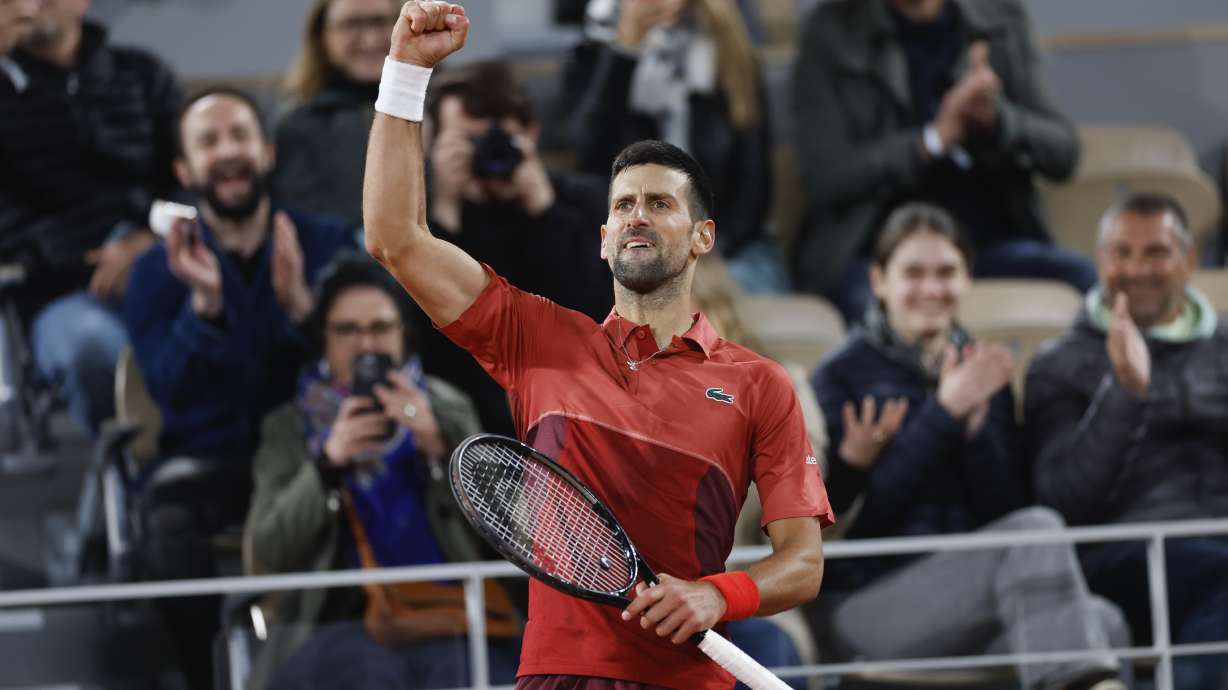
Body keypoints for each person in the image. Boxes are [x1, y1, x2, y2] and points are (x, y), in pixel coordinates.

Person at [363, 4, 833, 690]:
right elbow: (393, 238)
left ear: (702, 236)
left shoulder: (760, 385)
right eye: (622, 206)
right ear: (604, 238)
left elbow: (803, 563)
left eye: (660, 204)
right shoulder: (537, 340)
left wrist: (716, 594)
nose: (637, 215)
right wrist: (405, 72)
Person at [811, 202, 1129, 690]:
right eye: (913, 273)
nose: (932, 289)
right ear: (879, 281)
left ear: (967, 280)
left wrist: (980, 438)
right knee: (1040, 541)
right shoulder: (837, 376)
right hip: (868, 603)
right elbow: (848, 529)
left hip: (973, 599)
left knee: (1103, 620)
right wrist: (944, 415)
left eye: (947, 272)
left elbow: (1003, 512)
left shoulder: (985, 371)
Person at [122, 86, 355, 690]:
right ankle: (209, 676)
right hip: (209, 461)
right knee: (164, 526)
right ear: (184, 169)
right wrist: (203, 307)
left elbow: (367, 368)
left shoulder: (328, 245)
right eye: (209, 141)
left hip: (316, 455)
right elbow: (168, 393)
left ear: (267, 151)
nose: (228, 152)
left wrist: (306, 310)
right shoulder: (154, 269)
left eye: (239, 136)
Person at [245, 253, 521, 690]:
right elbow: (268, 548)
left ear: (403, 336)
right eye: (347, 330)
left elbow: (509, 530)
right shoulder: (289, 427)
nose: (366, 345)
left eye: (379, 328)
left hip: (451, 612)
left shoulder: (447, 408)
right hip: (341, 620)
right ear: (324, 341)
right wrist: (327, 464)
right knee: (372, 674)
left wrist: (438, 449)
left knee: (460, 674)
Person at [1026, 193, 1228, 690]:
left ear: (1189, 261)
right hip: (1122, 555)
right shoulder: (1058, 363)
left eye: (1155, 252)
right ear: (1100, 262)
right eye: (1121, 253)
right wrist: (1125, 392)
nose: (1136, 269)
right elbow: (1063, 499)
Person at [791, 0, 1095, 323]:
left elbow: (1063, 152)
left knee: (1087, 282)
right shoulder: (832, 30)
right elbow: (827, 176)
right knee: (876, 324)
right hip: (878, 251)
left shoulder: (999, 18)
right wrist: (931, 141)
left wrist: (997, 120)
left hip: (987, 245)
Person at [0, 0, 181, 434]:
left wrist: (146, 243)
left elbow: (190, 181)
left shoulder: (143, 75)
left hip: (169, 268)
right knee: (98, 354)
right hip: (62, 292)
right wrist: (92, 256)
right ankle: (131, 484)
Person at [418, 58, 612, 435]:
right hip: (466, 422)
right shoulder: (421, 221)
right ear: (434, 143)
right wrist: (445, 214)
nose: (483, 154)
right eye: (467, 141)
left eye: (496, 141)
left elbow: (600, 320)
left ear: (532, 135)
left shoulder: (583, 204)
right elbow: (433, 344)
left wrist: (543, 208)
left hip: (575, 408)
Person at [564, 0, 782, 293]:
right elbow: (587, 152)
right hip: (630, 241)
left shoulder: (731, 56)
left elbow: (754, 185)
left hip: (726, 243)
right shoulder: (593, 58)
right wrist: (625, 51)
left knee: (735, 295)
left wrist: (704, 247)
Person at [274, 0, 400, 227]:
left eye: (380, 22)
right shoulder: (296, 126)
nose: (370, 39)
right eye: (351, 25)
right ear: (323, 37)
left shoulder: (440, 108)